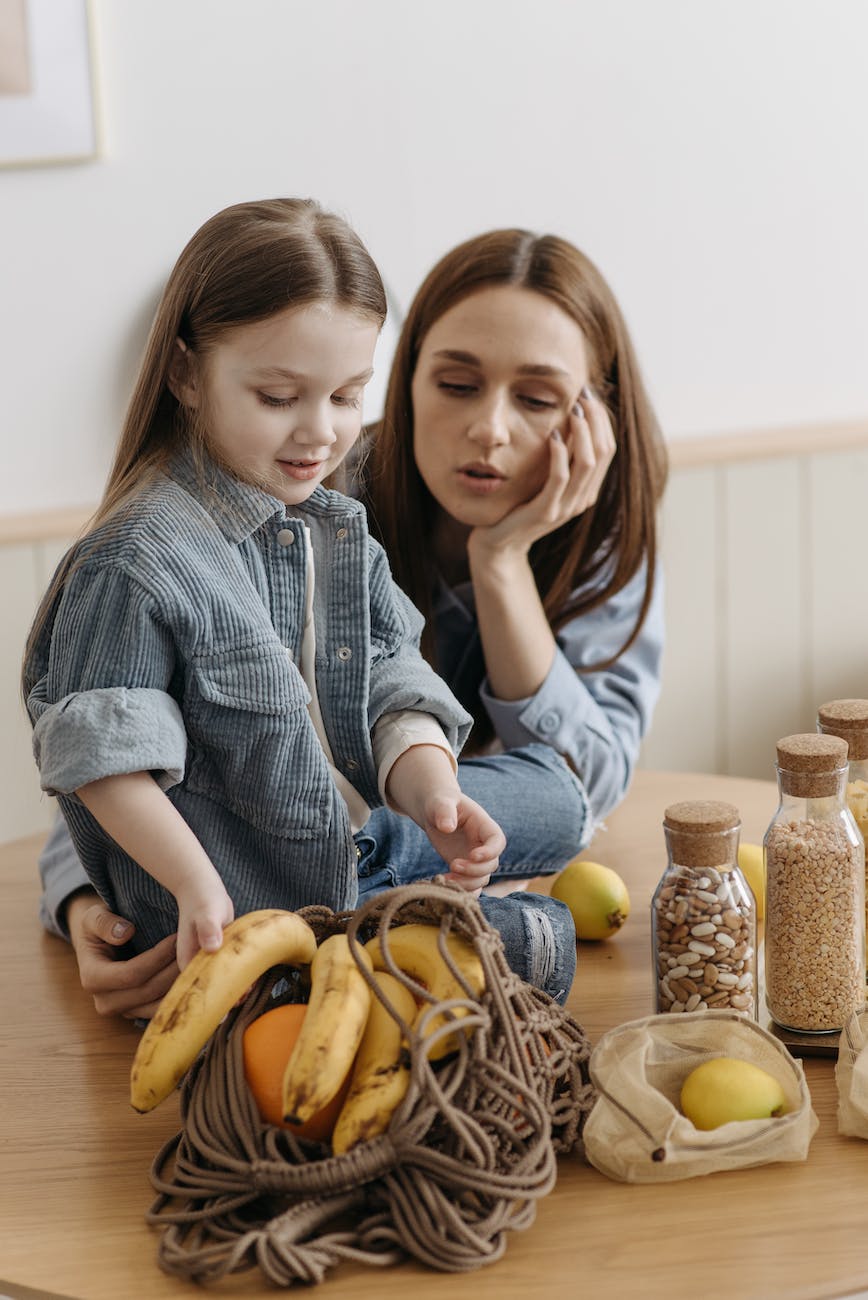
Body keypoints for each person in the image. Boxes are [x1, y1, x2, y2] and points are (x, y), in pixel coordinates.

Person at [36, 221, 665, 1018]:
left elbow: (397, 680)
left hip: (351, 832)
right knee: (532, 938)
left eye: (344, 397)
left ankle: (376, 902)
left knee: (556, 825)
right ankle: (368, 921)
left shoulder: (331, 521)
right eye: (457, 384)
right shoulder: (172, 542)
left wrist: (435, 791)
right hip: (247, 884)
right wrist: (101, 905)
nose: (490, 430)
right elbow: (101, 751)